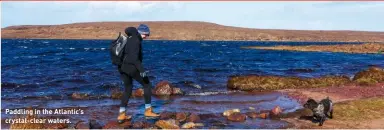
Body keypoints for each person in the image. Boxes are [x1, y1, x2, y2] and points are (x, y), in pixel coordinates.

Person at [117, 24, 159, 123]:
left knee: (128, 89)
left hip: (122, 68)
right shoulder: (136, 40)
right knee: (147, 85)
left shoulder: (128, 38)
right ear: (141, 32)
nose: (146, 37)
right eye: (146, 34)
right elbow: (134, 59)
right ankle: (148, 111)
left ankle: (121, 115)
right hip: (131, 67)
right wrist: (142, 71)